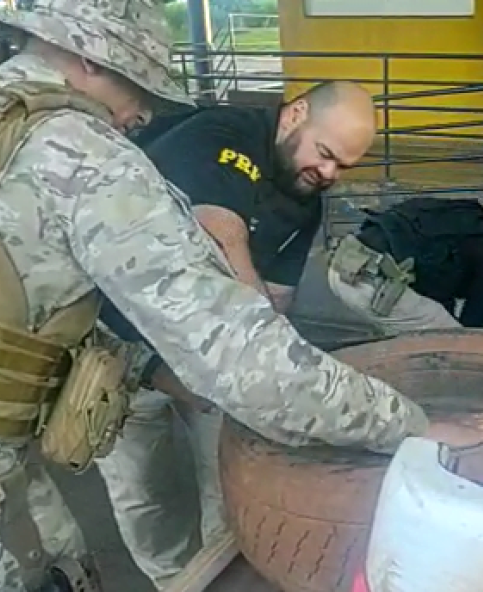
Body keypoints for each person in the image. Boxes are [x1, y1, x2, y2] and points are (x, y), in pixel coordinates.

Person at [0, 2, 483, 590]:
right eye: (135, 83)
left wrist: (141, 365)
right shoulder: (87, 156)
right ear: (89, 57)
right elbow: (243, 355)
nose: (143, 113)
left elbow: (26, 302)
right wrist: (412, 424)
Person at [94, 81, 373, 590]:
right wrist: (260, 354)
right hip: (121, 350)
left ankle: (211, 576)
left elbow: (280, 298)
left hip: (212, 361)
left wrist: (262, 367)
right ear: (296, 115)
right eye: (326, 153)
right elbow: (221, 232)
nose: (329, 173)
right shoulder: (224, 134)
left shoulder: (307, 198)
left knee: (227, 482)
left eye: (343, 167)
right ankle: (169, 579)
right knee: (142, 491)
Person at [328, 197, 483, 333]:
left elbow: (437, 287)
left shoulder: (459, 222)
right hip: (373, 286)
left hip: (341, 267)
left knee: (422, 321)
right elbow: (473, 323)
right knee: (453, 340)